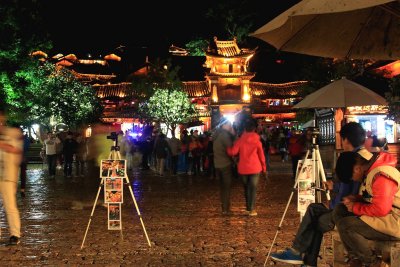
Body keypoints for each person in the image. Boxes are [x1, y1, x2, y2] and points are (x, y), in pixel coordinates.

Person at [270, 121, 372, 266]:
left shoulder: (352, 160)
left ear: (346, 140)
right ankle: (303, 257)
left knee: (315, 218)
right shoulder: (365, 156)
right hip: (353, 205)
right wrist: (335, 185)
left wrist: (332, 202)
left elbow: (349, 191)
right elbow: (349, 185)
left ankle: (299, 254)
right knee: (314, 211)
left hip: (349, 210)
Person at [332, 150, 400, 267]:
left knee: (346, 225)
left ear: (357, 169)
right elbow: (375, 197)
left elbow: (380, 209)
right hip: (386, 217)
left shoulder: (382, 175)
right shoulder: (371, 171)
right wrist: (357, 198)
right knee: (340, 210)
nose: (354, 180)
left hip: (395, 222)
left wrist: (355, 207)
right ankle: (356, 257)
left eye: (352, 177)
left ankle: (372, 263)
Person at [227, 118, 266, 216]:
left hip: (243, 168)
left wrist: (227, 148)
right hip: (255, 168)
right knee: (253, 188)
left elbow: (233, 152)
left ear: (245, 129)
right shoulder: (257, 141)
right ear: (254, 129)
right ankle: (251, 209)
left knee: (246, 188)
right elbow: (261, 156)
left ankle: (248, 208)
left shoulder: (240, 140)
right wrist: (264, 168)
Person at [0, 109, 23, 245]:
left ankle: (15, 234)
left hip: (8, 175)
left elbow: (16, 150)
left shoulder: (12, 133)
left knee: (10, 206)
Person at [212, 117, 235, 215]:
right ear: (224, 125)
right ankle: (226, 209)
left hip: (217, 164)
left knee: (223, 187)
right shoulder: (224, 135)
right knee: (226, 187)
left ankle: (224, 208)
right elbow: (231, 150)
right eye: (229, 124)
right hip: (225, 164)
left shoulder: (216, 134)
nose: (230, 126)